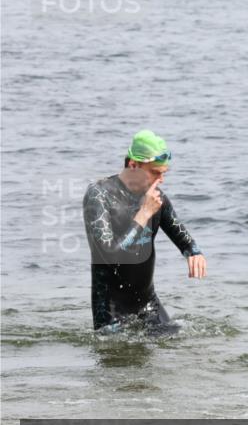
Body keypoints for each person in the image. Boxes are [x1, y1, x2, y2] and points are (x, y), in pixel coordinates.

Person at [83, 130, 206, 334]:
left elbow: (184, 239)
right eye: (155, 172)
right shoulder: (99, 195)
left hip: (149, 305)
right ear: (133, 165)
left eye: (163, 173)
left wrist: (194, 253)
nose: (161, 180)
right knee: (122, 362)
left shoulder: (156, 198)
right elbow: (109, 254)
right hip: (112, 313)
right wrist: (144, 213)